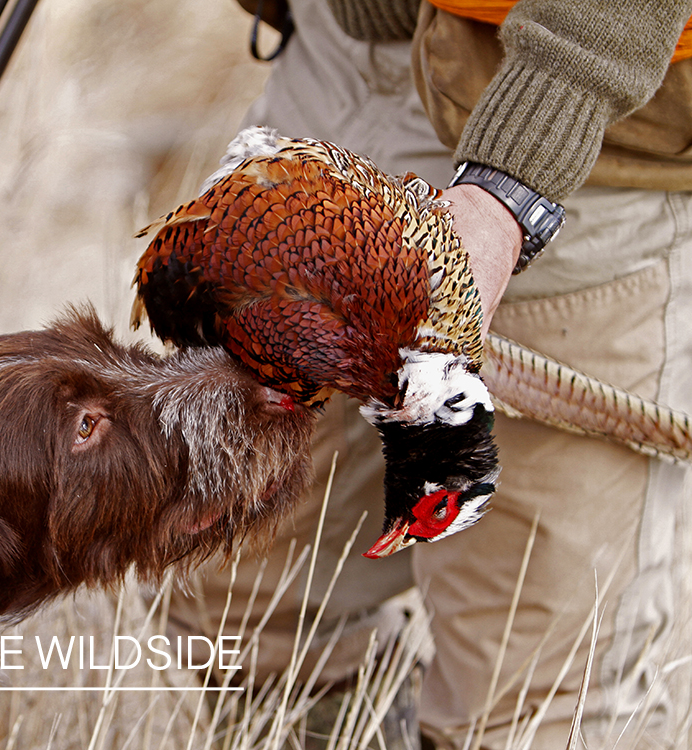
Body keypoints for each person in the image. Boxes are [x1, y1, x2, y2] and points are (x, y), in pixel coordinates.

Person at [165, 2, 692, 748]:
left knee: (534, 706)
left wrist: (510, 193)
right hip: (335, 75)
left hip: (590, 128)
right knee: (235, 593)